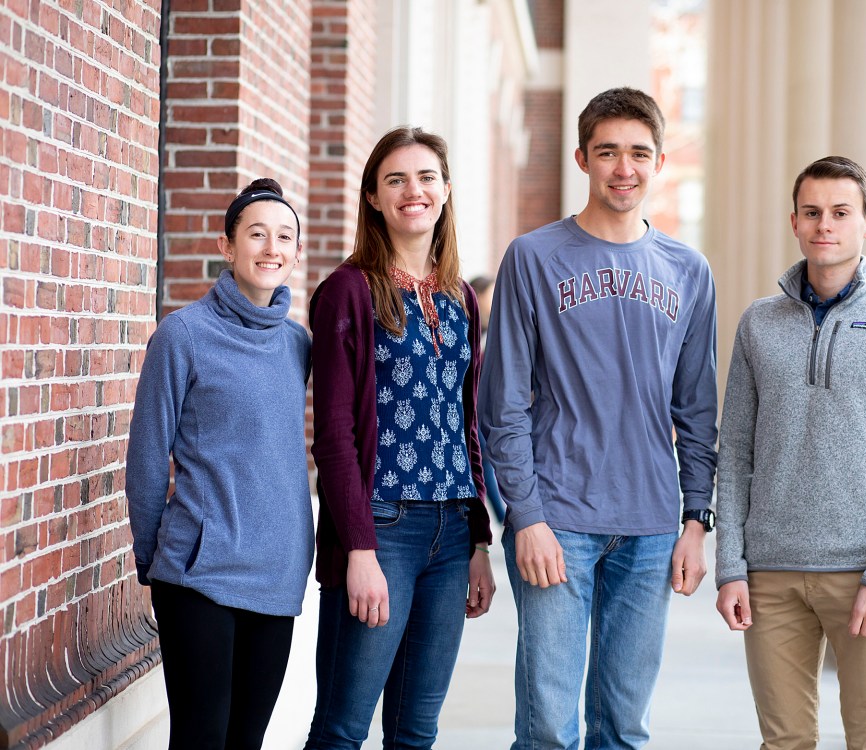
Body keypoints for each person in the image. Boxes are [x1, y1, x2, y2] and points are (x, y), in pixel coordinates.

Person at [480, 87, 718, 750]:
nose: (624, 167)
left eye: (639, 153)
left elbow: (697, 409)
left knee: (624, 728)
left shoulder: (689, 271)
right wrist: (524, 516)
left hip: (649, 527)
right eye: (608, 151)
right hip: (558, 519)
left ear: (660, 161)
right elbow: (503, 402)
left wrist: (696, 521)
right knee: (548, 730)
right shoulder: (533, 257)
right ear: (582, 157)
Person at [714, 156, 866, 749]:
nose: (826, 225)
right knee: (784, 741)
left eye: (841, 213)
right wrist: (731, 567)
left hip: (864, 574)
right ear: (794, 221)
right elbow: (736, 448)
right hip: (771, 576)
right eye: (813, 212)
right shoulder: (758, 323)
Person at [304, 127, 496, 750]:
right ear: (373, 199)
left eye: (426, 178)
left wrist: (477, 541)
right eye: (396, 180)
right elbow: (333, 434)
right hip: (382, 529)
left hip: (450, 533)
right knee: (341, 729)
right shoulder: (349, 292)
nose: (413, 191)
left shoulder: (460, 296)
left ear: (445, 192)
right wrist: (357, 548)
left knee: (416, 731)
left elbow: (465, 425)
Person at [126, 178, 312, 750]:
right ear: (227, 246)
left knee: (245, 741)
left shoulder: (299, 345)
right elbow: (148, 456)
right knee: (201, 739)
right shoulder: (182, 335)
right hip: (198, 574)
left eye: (284, 237)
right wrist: (154, 556)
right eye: (256, 234)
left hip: (276, 575)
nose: (271, 248)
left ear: (296, 254)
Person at [468, 275, 504, 523]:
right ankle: (499, 515)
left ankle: (498, 515)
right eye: (489, 296)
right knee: (484, 464)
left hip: (484, 410)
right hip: (472, 411)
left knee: (486, 464)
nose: (492, 302)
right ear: (478, 296)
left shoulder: (488, 330)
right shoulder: (471, 329)